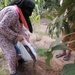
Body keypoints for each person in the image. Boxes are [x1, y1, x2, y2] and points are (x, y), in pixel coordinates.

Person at [0, 0, 35, 75]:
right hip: (1, 34)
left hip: (9, 31)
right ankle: (13, 72)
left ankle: (20, 61)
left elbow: (20, 27)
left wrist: (26, 37)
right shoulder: (13, 12)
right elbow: (2, 27)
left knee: (19, 49)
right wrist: (16, 36)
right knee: (11, 53)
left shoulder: (18, 13)